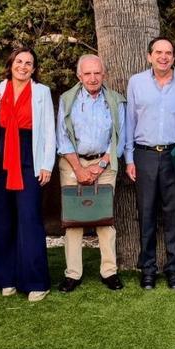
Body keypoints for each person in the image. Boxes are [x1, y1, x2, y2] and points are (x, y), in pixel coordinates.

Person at [0, 47, 55, 302]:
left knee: (29, 218)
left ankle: (36, 281)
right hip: (0, 156)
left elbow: (48, 129)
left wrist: (47, 164)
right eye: (19, 61)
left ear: (34, 69)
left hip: (29, 156)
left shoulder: (41, 92)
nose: (23, 66)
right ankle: (6, 278)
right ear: (11, 64)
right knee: (1, 220)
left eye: (29, 63)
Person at [125, 37, 175, 290]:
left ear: (173, 57)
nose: (163, 57)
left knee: (174, 215)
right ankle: (148, 269)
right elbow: (129, 122)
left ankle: (173, 269)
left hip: (174, 155)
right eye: (158, 52)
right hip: (144, 155)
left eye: (168, 53)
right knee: (145, 214)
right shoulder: (136, 83)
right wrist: (129, 158)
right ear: (149, 56)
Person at [55, 54, 126, 293]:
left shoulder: (114, 101)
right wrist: (79, 169)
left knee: (104, 220)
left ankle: (109, 272)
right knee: (74, 221)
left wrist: (101, 165)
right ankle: (73, 274)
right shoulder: (67, 100)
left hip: (104, 166)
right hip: (73, 164)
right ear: (79, 76)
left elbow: (120, 137)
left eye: (97, 73)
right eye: (87, 73)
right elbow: (62, 138)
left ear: (103, 75)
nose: (93, 78)